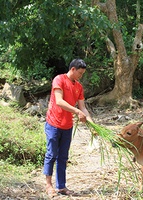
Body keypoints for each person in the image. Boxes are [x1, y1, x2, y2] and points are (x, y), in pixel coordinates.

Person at [43, 58, 93, 197]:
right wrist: (77, 112)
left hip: (67, 126)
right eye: (80, 73)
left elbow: (83, 107)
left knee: (63, 157)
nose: (80, 76)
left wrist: (92, 124)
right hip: (54, 123)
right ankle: (48, 185)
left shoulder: (79, 86)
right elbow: (59, 101)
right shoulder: (59, 80)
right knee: (51, 154)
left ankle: (61, 187)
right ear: (73, 69)